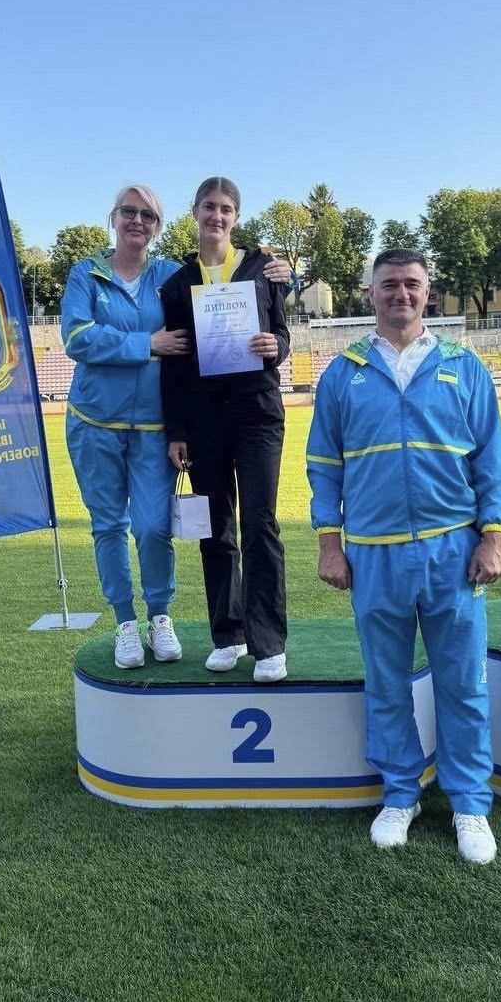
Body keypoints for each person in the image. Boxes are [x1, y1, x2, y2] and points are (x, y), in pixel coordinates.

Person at [306, 248, 501, 864]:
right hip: (374, 554)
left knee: (463, 684)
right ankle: (401, 793)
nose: (401, 293)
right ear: (370, 293)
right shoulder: (342, 372)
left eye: (412, 284)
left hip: (454, 550)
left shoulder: (464, 366)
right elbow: (323, 466)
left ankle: (470, 803)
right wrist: (329, 544)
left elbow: (492, 460)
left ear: (428, 292)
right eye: (390, 284)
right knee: (387, 682)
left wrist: (494, 536)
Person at [61, 184, 293, 671]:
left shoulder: (171, 273)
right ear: (114, 216)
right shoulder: (92, 274)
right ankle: (133, 623)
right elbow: (79, 338)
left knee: (157, 527)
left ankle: (169, 618)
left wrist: (284, 275)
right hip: (103, 422)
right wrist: (147, 345)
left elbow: (259, 303)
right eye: (129, 212)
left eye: (147, 215)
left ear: (159, 224)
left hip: (175, 422)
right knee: (119, 525)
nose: (137, 221)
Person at [161, 176, 291, 684]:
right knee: (214, 529)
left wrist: (275, 348)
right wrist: (177, 431)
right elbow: (173, 364)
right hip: (204, 419)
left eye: (226, 208)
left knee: (260, 523)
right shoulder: (177, 284)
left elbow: (281, 333)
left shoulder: (264, 268)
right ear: (194, 211)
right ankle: (228, 634)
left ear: (236, 216)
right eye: (209, 206)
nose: (217, 216)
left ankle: (269, 643)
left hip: (258, 413)